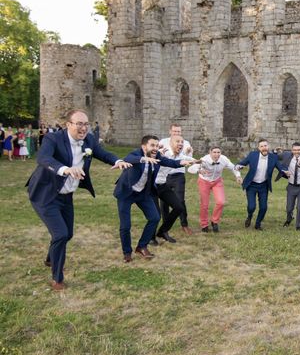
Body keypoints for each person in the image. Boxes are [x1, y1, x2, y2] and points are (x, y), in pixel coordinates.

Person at [26, 109, 130, 290]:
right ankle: (57, 279)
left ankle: (51, 258)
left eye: (86, 124)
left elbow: (102, 153)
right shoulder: (54, 139)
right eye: (79, 124)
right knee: (60, 234)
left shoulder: (89, 140)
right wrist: (65, 169)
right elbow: (43, 158)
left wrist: (117, 160)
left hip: (66, 195)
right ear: (68, 125)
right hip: (45, 194)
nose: (83, 128)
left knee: (68, 233)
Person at [113, 135, 191, 262]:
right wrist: (144, 159)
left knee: (154, 218)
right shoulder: (136, 154)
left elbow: (170, 162)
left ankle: (142, 246)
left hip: (143, 193)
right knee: (125, 225)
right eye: (152, 145)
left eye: (156, 145)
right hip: (126, 193)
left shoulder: (158, 156)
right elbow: (129, 158)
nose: (155, 148)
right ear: (144, 147)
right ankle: (127, 252)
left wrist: (182, 162)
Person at [235, 139, 288, 231]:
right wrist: (238, 167)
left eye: (265, 146)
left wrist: (285, 172)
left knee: (263, 207)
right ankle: (249, 216)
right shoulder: (253, 155)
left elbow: (281, 168)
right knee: (251, 207)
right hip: (251, 185)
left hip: (264, 185)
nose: (264, 148)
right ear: (258, 148)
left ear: (268, 147)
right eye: (262, 146)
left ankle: (258, 224)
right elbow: (240, 164)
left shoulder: (273, 157)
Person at [188, 145, 242, 233]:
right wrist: (199, 170)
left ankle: (214, 221)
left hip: (217, 181)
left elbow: (233, 167)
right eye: (214, 152)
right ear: (210, 153)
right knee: (204, 205)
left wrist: (238, 176)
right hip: (204, 181)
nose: (216, 154)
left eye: (218, 152)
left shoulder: (224, 159)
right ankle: (204, 224)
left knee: (221, 202)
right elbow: (190, 169)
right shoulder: (204, 160)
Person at [152, 135, 195, 244]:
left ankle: (163, 231)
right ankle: (151, 237)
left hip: (162, 185)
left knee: (179, 207)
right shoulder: (163, 152)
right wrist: (157, 152)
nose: (180, 143)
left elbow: (191, 159)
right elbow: (152, 155)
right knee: (155, 214)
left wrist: (202, 162)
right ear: (170, 143)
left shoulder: (180, 155)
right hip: (151, 186)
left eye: (182, 142)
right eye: (177, 141)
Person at [159, 123, 193, 235]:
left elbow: (188, 157)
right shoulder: (163, 142)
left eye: (178, 131)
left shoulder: (185, 142)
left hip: (178, 174)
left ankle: (184, 224)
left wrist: (188, 152)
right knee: (164, 202)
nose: (177, 133)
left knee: (180, 200)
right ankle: (166, 226)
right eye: (175, 131)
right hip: (165, 175)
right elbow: (157, 155)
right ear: (170, 131)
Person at [276, 142, 300, 230]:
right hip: (291, 186)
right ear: (291, 150)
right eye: (294, 150)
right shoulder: (286, 155)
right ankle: (289, 219)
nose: (296, 151)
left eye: (298, 150)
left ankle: (298, 225)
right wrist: (275, 151)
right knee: (289, 208)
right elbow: (275, 157)